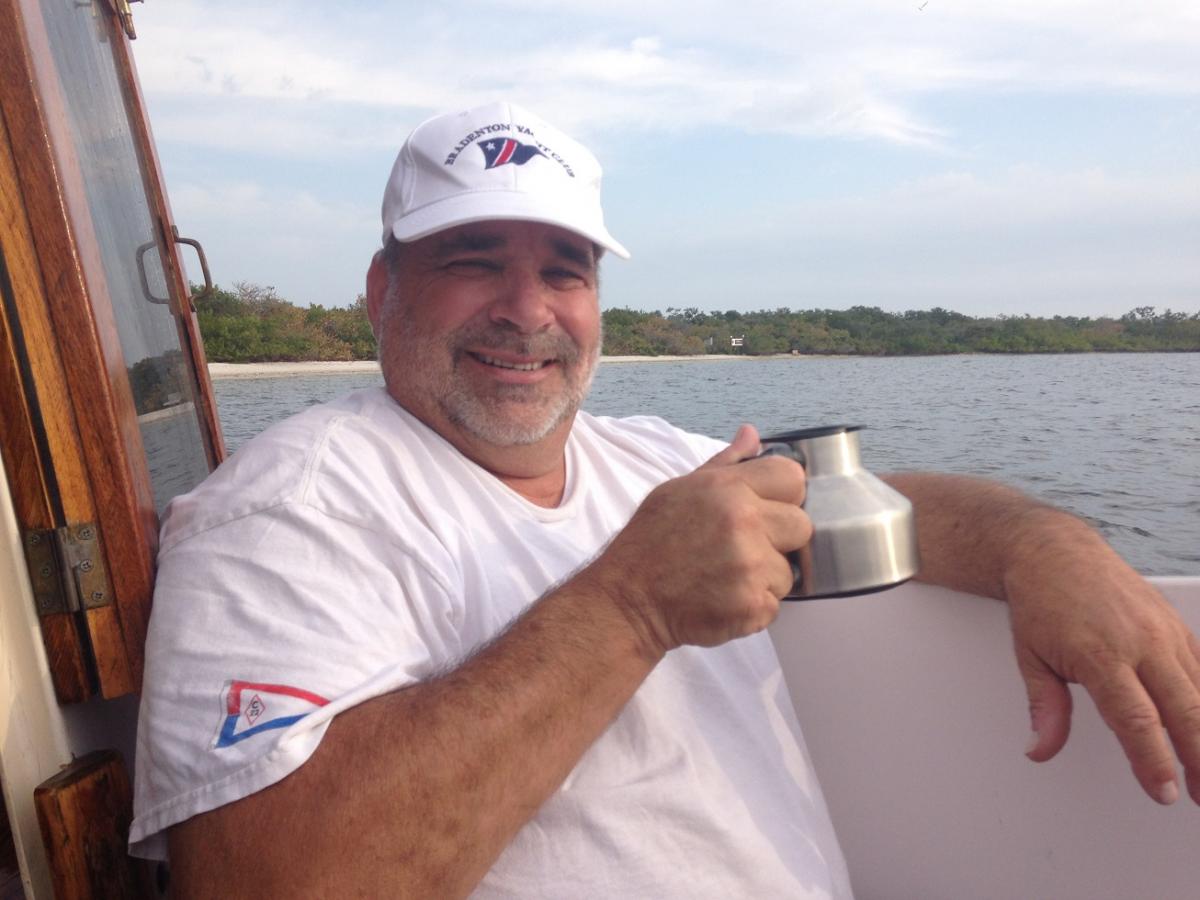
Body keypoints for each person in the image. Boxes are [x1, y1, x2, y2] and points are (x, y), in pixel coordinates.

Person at [131, 101, 1200, 898]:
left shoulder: (651, 462)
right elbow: (263, 884)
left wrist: (1040, 544)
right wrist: (631, 609)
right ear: (381, 291)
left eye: (566, 270)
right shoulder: (287, 508)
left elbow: (866, 498)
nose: (526, 309)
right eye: (474, 261)